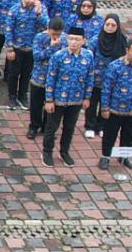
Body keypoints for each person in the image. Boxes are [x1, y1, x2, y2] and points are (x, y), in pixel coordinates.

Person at [37, 30, 96, 165]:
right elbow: (50, 79)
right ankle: (47, 152)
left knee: (69, 127)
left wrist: (87, 97)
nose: (73, 42)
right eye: (71, 39)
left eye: (77, 39)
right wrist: (49, 100)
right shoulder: (58, 56)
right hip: (58, 100)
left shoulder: (88, 56)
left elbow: (90, 77)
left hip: (76, 99)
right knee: (52, 127)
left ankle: (64, 152)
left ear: (84, 41)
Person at [96, 42, 132, 169]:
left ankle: (125, 156)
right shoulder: (115, 66)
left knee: (129, 134)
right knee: (110, 134)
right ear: (127, 50)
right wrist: (105, 108)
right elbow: (106, 89)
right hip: (116, 109)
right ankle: (105, 156)